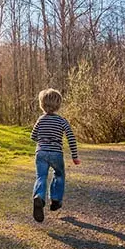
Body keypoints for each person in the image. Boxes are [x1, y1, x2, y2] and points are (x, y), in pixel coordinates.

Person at [30, 88, 80, 222]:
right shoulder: (62, 121)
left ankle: (39, 197)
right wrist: (75, 156)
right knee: (59, 174)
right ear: (58, 104)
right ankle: (56, 200)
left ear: (42, 104)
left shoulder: (40, 120)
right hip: (56, 153)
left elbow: (33, 136)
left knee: (41, 176)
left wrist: (42, 139)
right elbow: (71, 138)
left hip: (40, 152)